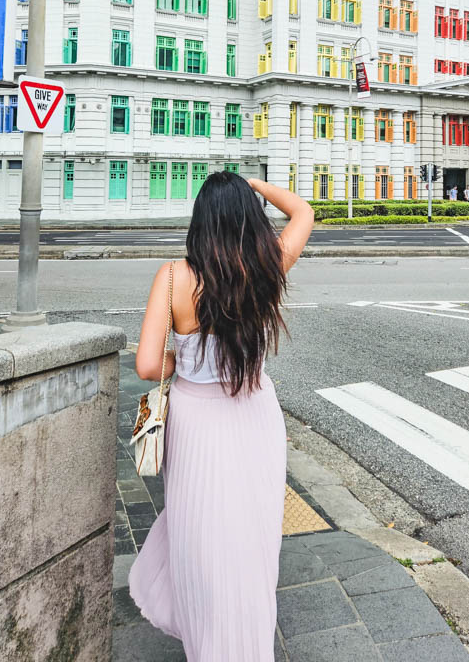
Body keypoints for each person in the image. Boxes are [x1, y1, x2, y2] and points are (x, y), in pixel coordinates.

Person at [129, 173, 314, 661]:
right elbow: (304, 212)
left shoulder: (173, 276)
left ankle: (208, 644)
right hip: (255, 418)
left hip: (196, 423)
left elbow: (147, 365)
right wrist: (256, 183)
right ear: (250, 219)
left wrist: (187, 361)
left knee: (199, 536)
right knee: (250, 539)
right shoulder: (268, 264)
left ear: (200, 220)